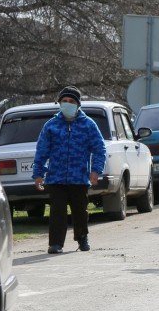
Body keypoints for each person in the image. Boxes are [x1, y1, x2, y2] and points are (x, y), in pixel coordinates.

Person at [32, 86, 106, 254]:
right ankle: (56, 243)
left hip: (79, 178)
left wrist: (95, 170)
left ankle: (82, 237)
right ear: (59, 103)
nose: (67, 104)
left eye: (71, 102)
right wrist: (38, 174)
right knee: (57, 212)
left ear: (78, 104)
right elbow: (42, 151)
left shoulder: (88, 125)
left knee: (80, 211)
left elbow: (99, 149)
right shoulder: (51, 125)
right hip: (55, 178)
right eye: (64, 101)